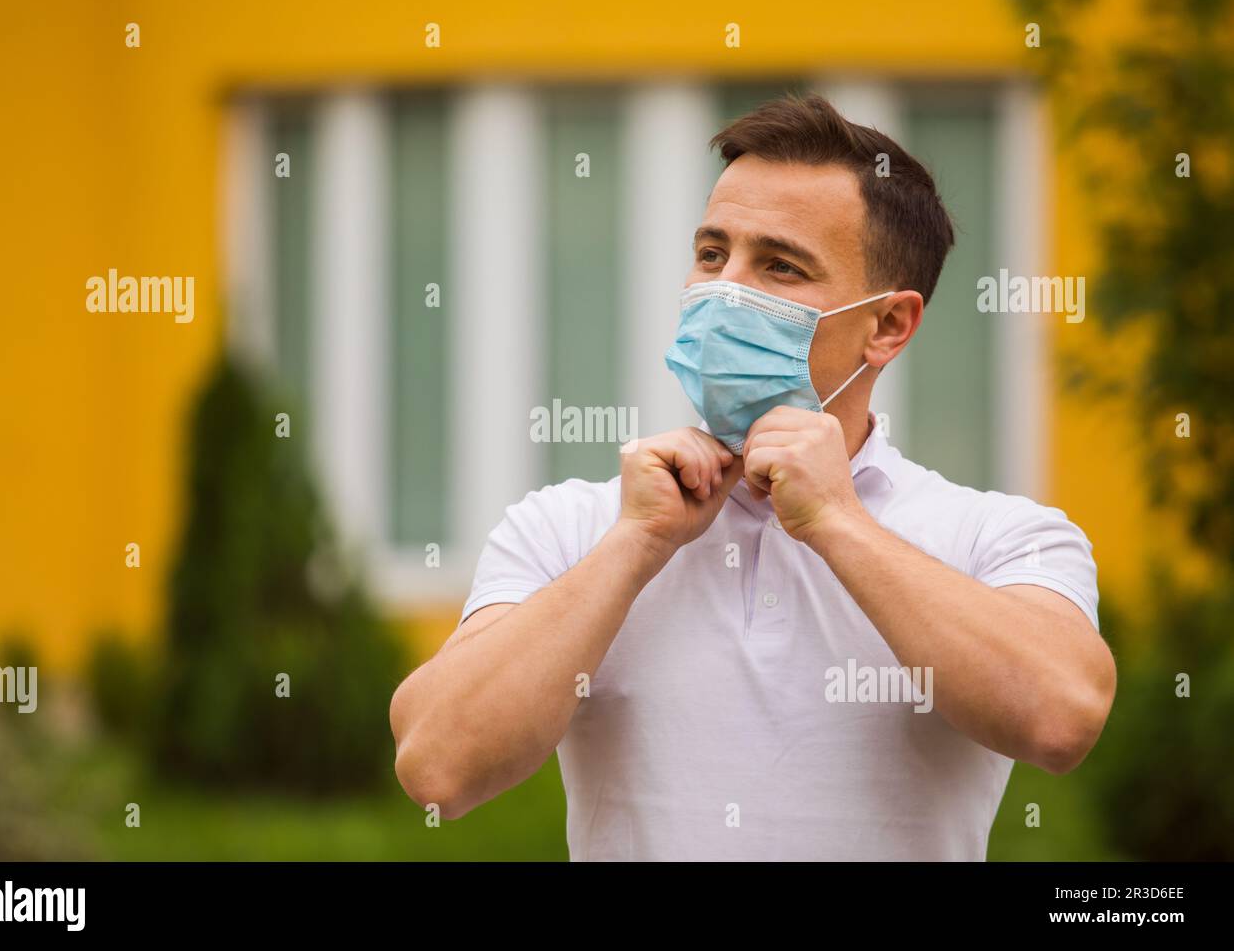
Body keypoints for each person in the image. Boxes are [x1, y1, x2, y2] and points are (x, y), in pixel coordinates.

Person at [389, 92, 1116, 861]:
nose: (723, 290)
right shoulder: (570, 527)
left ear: (889, 325)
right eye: (711, 254)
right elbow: (438, 766)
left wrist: (838, 524)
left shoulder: (999, 537)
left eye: (779, 266)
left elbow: (1062, 718)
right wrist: (635, 545)